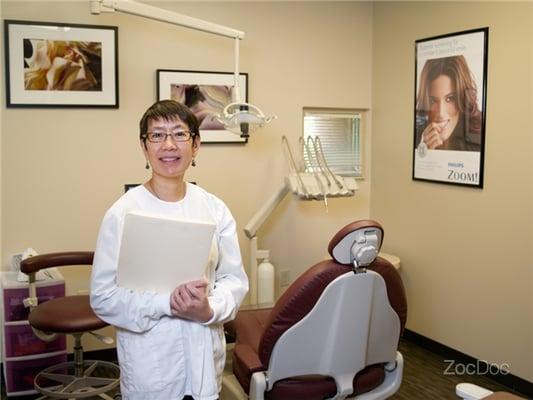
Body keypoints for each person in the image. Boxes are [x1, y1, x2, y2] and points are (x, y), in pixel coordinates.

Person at [90, 100, 248, 400]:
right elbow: (104, 297)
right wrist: (167, 304)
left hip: (203, 355)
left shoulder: (214, 208)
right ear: (144, 147)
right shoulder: (122, 213)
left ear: (196, 145)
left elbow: (234, 281)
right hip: (151, 364)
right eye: (157, 135)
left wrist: (208, 309)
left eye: (179, 134)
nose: (169, 145)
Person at [415, 55, 482, 151]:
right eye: (433, 101)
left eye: (449, 99)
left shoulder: (479, 138)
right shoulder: (417, 135)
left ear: (462, 98)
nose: (441, 113)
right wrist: (424, 151)